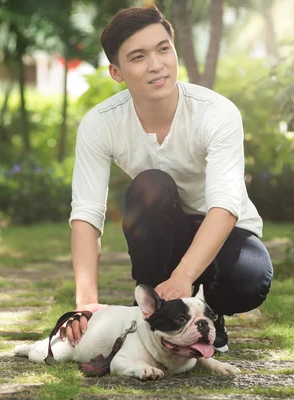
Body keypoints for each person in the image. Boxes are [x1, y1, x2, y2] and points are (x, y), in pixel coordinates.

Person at [61, 5, 273, 353]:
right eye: (139, 56)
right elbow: (86, 213)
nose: (156, 65)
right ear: (116, 71)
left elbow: (224, 205)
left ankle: (206, 314)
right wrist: (86, 301)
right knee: (150, 185)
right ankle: (155, 311)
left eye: (163, 49)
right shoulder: (100, 124)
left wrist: (184, 277)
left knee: (251, 277)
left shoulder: (216, 113)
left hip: (221, 229)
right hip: (162, 230)